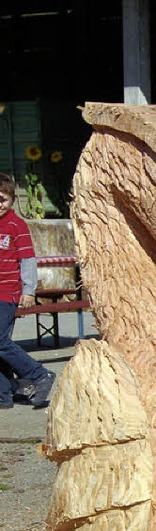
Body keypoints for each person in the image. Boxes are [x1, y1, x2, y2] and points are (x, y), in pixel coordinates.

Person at [0, 173, 56, 409]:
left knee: (0, 341)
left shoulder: (17, 225)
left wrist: (29, 290)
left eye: (2, 199)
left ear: (12, 200)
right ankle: (4, 395)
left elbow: (28, 260)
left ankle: (38, 374)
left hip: (7, 294)